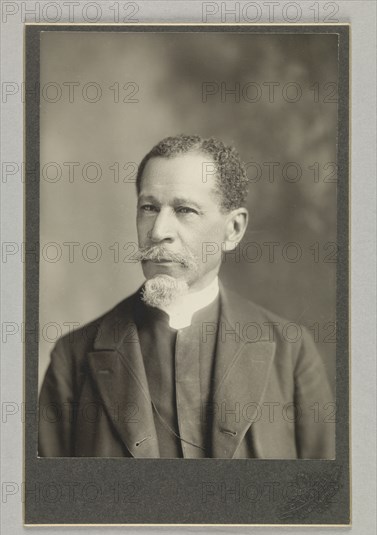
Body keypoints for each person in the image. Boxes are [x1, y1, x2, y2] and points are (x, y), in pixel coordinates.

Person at [38, 134, 335, 459]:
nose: (158, 230)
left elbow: (323, 501)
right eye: (149, 208)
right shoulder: (73, 359)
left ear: (233, 229)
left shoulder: (291, 353)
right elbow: (50, 503)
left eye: (185, 210)